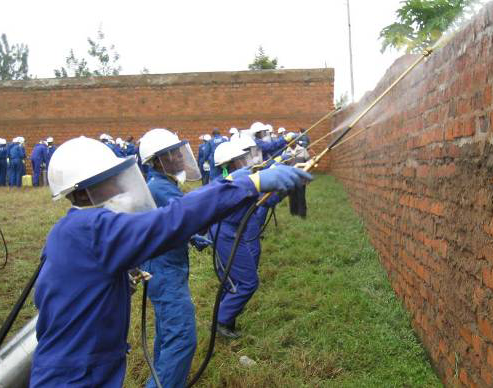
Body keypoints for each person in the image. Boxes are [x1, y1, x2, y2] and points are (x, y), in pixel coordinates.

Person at [30, 136, 312, 387]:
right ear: (84, 190)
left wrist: (114, 282)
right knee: (180, 337)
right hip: (76, 375)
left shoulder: (70, 230)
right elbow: (173, 219)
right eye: (111, 179)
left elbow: (66, 288)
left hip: (83, 365)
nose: (119, 185)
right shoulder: (93, 228)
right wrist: (249, 183)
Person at [137, 128, 207, 388]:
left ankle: (159, 379)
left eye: (179, 152)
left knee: (167, 333)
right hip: (165, 272)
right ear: (158, 160)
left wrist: (190, 237)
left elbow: (169, 224)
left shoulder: (162, 185)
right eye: (174, 154)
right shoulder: (162, 189)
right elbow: (190, 213)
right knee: (182, 338)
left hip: (164, 267)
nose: (180, 157)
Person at [209, 138, 285, 339]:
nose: (244, 162)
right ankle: (222, 321)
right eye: (240, 159)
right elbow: (258, 193)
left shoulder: (233, 179)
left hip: (233, 231)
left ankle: (226, 319)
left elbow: (264, 200)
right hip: (226, 234)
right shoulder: (230, 182)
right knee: (247, 282)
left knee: (234, 279)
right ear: (230, 163)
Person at [283, 139, 311, 218]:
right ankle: (293, 213)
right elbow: (283, 166)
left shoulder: (303, 150)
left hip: (301, 178)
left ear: (295, 141)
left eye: (292, 140)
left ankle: (302, 214)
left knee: (301, 197)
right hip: (290, 179)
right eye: (289, 141)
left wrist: (308, 176)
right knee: (292, 197)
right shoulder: (285, 152)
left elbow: (309, 162)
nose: (291, 142)